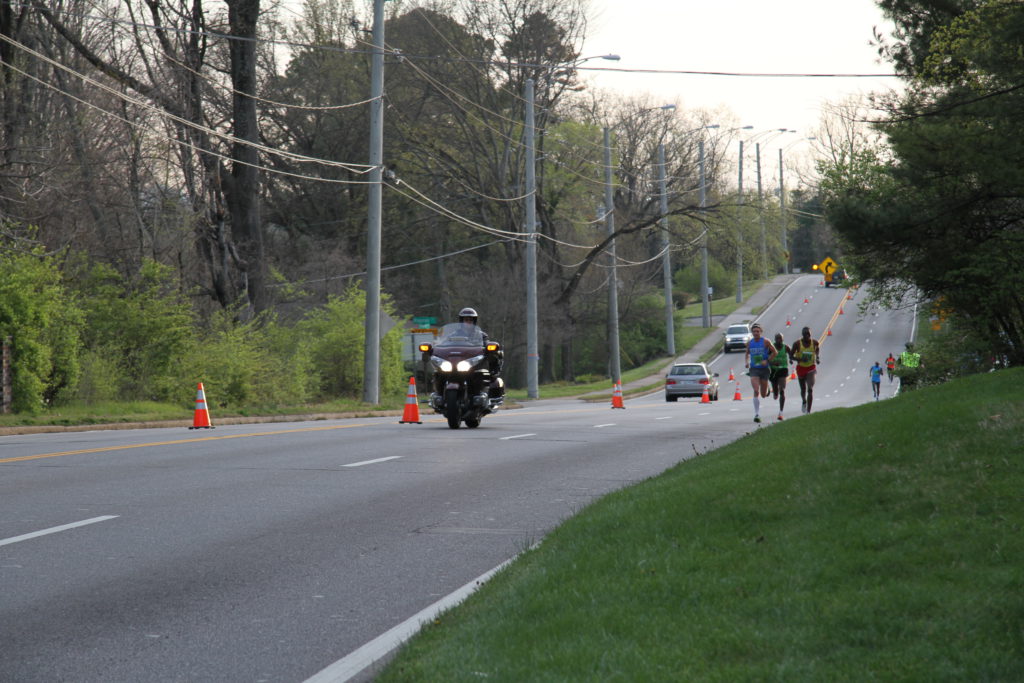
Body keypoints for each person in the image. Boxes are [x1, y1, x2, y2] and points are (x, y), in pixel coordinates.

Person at [744, 322, 777, 423]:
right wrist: (747, 362)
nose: (756, 333)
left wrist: (767, 360)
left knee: (763, 394)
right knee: (756, 390)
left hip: (764, 369)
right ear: (752, 333)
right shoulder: (750, 343)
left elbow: (775, 352)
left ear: (761, 332)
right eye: (754, 331)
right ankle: (757, 414)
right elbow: (747, 354)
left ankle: (767, 389)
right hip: (754, 369)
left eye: (757, 331)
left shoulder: (766, 342)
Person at [790, 326, 821, 414]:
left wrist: (817, 357)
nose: (807, 336)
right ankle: (804, 401)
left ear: (810, 334)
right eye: (805, 334)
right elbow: (791, 355)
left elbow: (817, 349)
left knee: (810, 389)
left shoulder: (814, 342)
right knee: (803, 389)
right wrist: (799, 359)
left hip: (811, 368)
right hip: (801, 368)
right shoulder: (797, 344)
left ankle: (808, 411)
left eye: (809, 334)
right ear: (802, 335)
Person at [769, 332, 792, 421]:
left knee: (782, 390)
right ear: (775, 340)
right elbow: (766, 358)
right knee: (775, 391)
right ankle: (775, 392)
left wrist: (790, 359)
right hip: (773, 370)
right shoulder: (771, 347)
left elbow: (791, 354)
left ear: (783, 339)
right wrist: (772, 362)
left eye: (780, 339)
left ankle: (781, 412)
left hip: (783, 369)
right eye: (777, 339)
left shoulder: (786, 347)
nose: (779, 340)